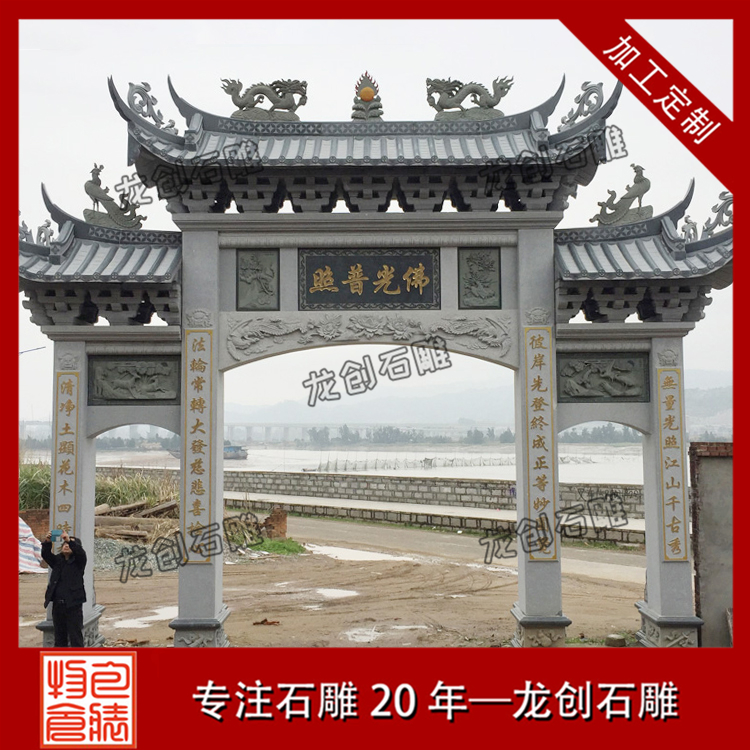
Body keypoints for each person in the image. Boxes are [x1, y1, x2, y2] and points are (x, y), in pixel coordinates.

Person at [41, 530, 87, 647]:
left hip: (73, 605)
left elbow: (81, 553)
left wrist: (69, 540)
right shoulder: (58, 561)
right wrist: (47, 542)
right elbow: (46, 555)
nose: (66, 545)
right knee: (59, 638)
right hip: (58, 606)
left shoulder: (79, 563)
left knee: (75, 637)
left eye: (69, 544)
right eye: (64, 544)